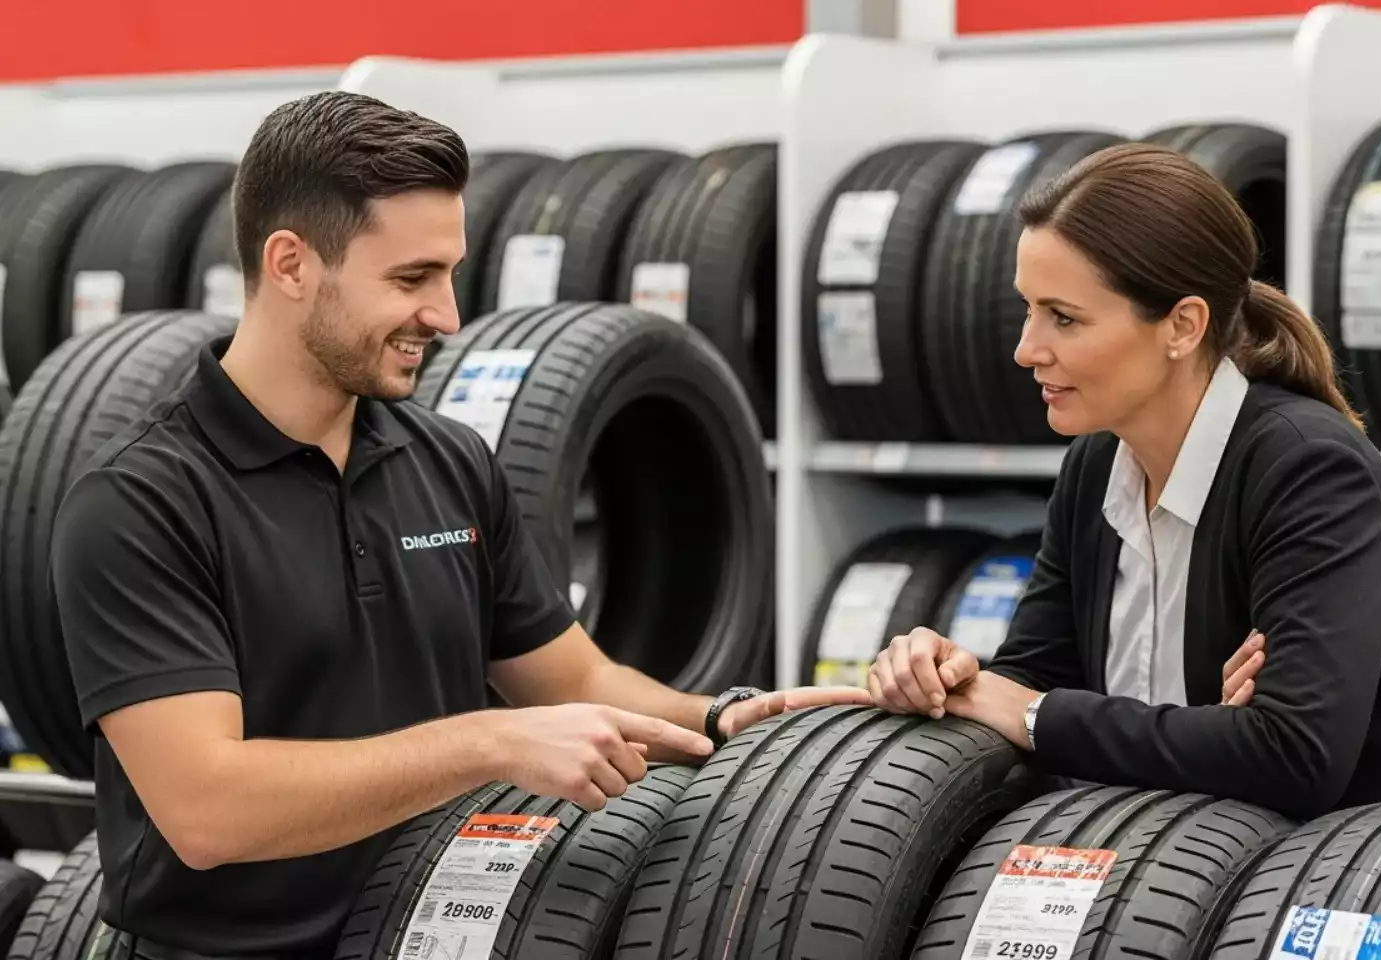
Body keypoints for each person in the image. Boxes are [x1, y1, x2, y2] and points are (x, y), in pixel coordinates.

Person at [48, 91, 868, 958]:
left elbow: (569, 677)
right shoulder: (140, 503)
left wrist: (716, 722)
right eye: (410, 279)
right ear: (290, 264)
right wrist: (485, 740)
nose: (446, 317)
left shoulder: (448, 462)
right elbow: (209, 811)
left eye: (448, 273)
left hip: (434, 933)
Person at [865, 142, 1381, 821]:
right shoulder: (1097, 466)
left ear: (1182, 326)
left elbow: (1292, 755)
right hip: (1235, 887)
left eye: (1064, 317)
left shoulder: (1308, 468)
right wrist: (946, 676)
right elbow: (1035, 679)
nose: (1027, 349)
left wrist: (1036, 714)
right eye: (1029, 310)